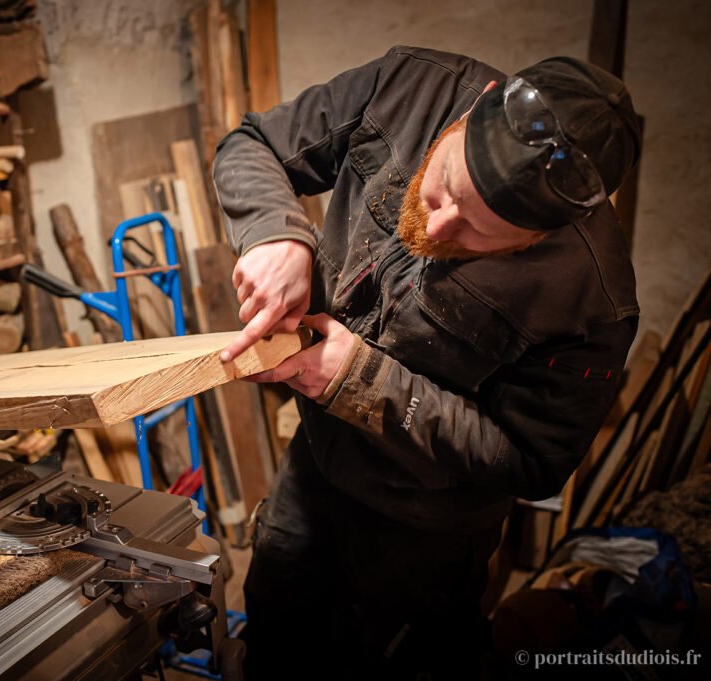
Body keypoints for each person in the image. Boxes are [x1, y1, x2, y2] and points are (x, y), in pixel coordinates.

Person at [212, 46, 642, 678]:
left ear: (539, 239)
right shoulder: (409, 86)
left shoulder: (593, 301)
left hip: (426, 540)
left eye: (475, 235)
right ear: (473, 110)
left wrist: (359, 381)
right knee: (274, 639)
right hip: (313, 474)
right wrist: (277, 232)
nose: (437, 227)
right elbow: (249, 143)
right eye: (442, 187)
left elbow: (533, 462)